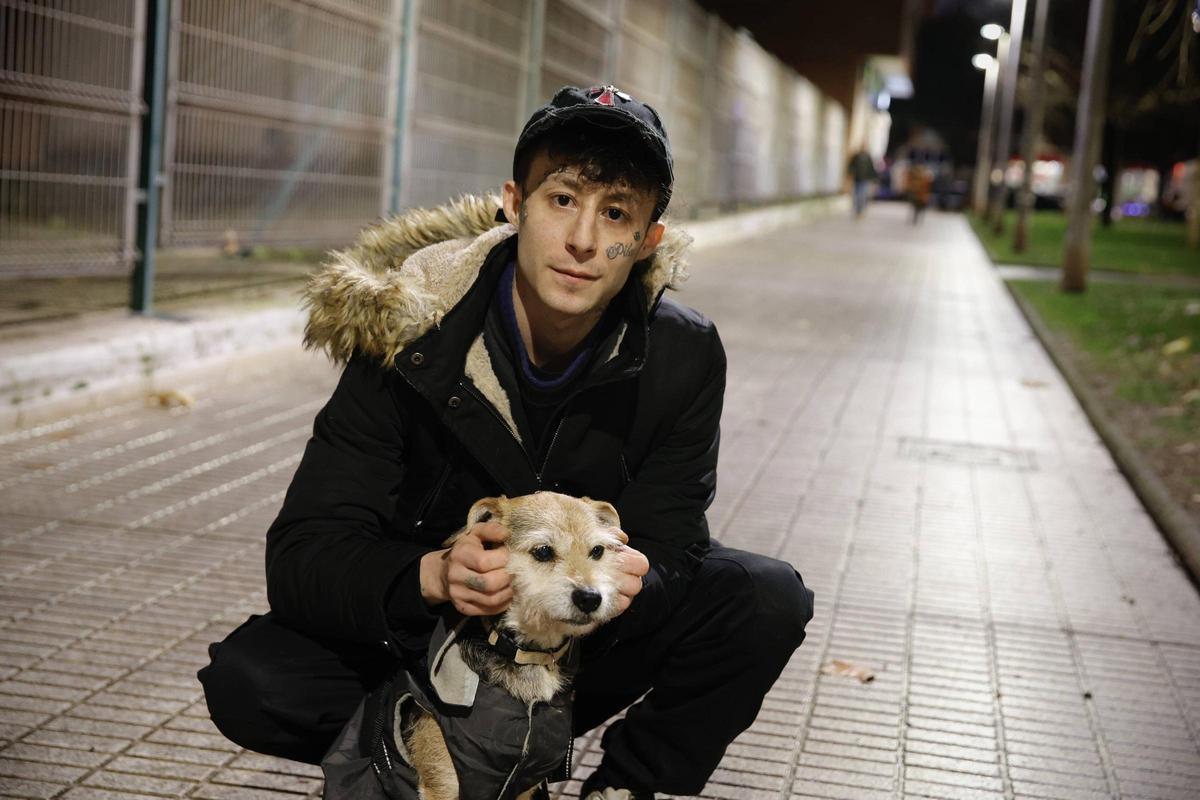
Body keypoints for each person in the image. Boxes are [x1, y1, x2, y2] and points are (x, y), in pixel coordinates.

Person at [198, 85, 814, 800]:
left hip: (577, 640)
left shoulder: (684, 353)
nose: (584, 239)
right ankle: (432, 755)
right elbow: (306, 550)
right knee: (255, 680)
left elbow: (675, 541)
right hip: (425, 650)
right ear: (514, 205)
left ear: (648, 240)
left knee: (764, 598)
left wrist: (632, 582)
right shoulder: (412, 330)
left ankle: (619, 786)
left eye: (616, 213)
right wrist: (433, 575)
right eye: (562, 199)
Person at [846, 148, 877, 218]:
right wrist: (850, 174)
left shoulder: (868, 157)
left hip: (865, 179)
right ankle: (857, 210)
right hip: (857, 179)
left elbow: (871, 168)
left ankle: (860, 211)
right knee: (856, 196)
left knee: (862, 195)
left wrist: (874, 178)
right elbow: (851, 166)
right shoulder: (856, 156)